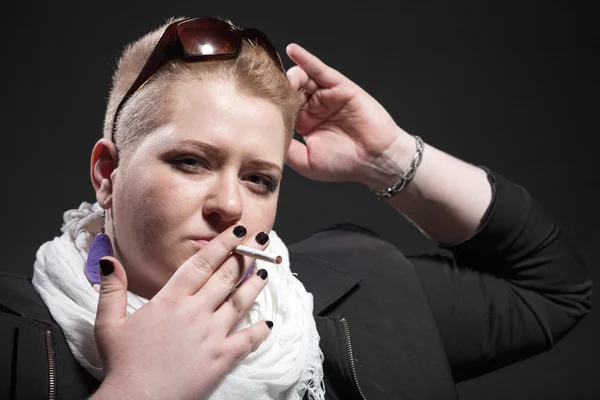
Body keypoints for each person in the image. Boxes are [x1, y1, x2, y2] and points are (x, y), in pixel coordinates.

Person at [0, 16, 592, 400]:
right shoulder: (14, 337)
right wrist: (139, 389)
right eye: (191, 162)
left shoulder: (361, 290)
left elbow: (553, 292)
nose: (229, 204)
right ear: (108, 171)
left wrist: (388, 158)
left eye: (259, 178)